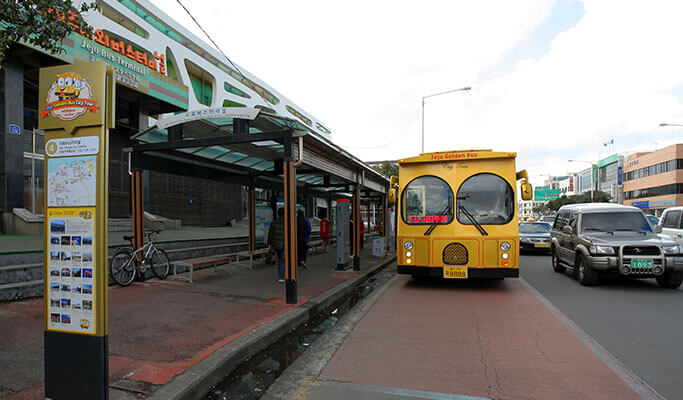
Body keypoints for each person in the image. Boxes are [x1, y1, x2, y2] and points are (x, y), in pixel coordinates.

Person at [268, 208, 286, 282]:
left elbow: (270, 234)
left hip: (276, 244)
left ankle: (280, 276)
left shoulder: (274, 222)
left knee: (279, 259)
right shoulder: (287, 222)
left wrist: (269, 244)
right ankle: (282, 277)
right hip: (285, 244)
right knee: (283, 260)